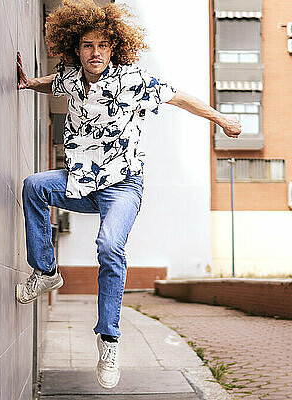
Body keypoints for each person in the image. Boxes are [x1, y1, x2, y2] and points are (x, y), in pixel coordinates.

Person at [14, 0, 241, 390]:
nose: (95, 53)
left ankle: (108, 341)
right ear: (76, 48)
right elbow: (56, 81)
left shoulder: (133, 80)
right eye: (88, 45)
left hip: (122, 185)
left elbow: (180, 97)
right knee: (35, 186)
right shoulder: (70, 76)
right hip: (81, 182)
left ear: (114, 48)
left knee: (108, 246)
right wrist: (31, 82)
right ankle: (47, 272)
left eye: (103, 45)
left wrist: (220, 118)